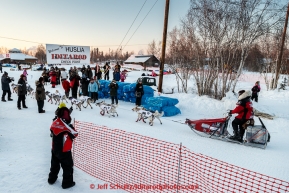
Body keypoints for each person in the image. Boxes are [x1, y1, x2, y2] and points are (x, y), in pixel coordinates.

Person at [48, 102, 77, 189]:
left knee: (54, 165)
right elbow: (74, 134)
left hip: (54, 148)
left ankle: (51, 179)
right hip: (64, 150)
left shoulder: (55, 122)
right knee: (67, 166)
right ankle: (67, 183)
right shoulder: (66, 125)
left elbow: (51, 130)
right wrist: (70, 126)